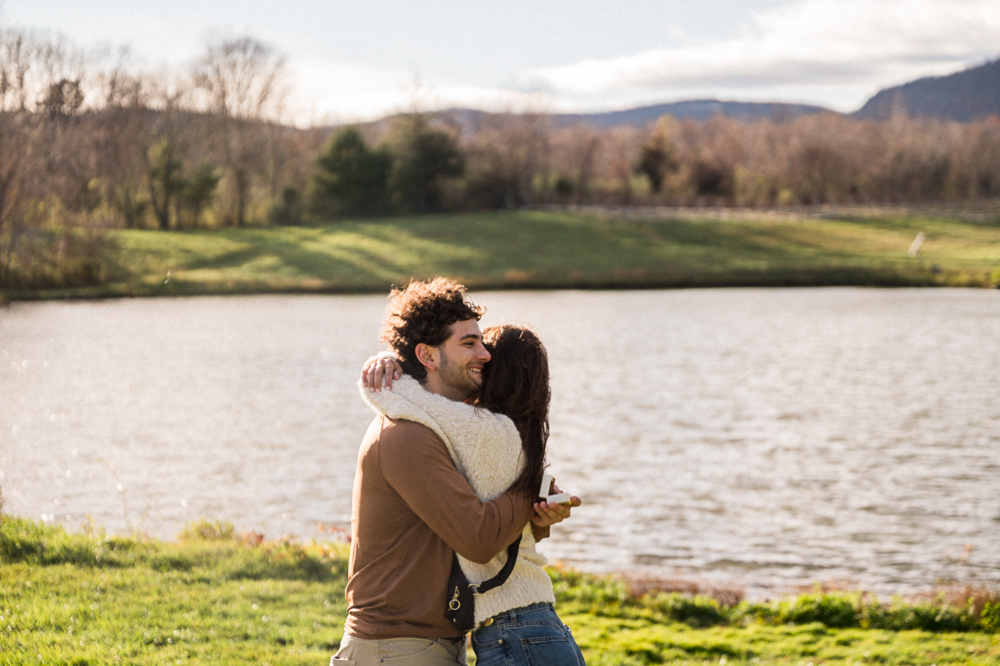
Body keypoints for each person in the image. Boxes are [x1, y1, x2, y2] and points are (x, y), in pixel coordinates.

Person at [332, 278, 578, 666]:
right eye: (469, 344)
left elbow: (476, 519)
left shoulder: (447, 430)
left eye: (481, 341)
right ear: (428, 357)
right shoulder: (406, 436)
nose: (485, 354)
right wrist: (528, 483)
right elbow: (479, 537)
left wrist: (539, 514)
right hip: (396, 649)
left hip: (432, 644)